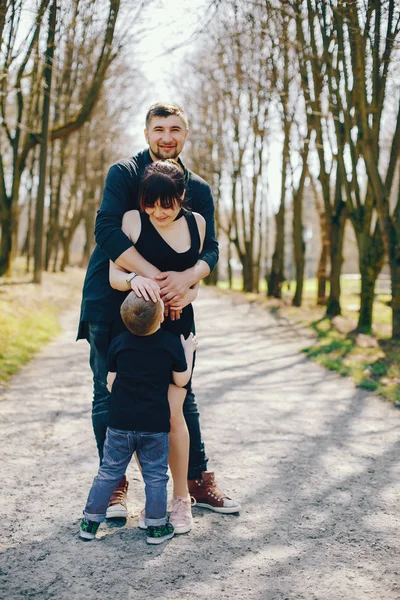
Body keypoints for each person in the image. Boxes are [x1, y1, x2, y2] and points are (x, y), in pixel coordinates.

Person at [78, 102, 240, 520]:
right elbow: (106, 230)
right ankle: (113, 486)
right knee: (108, 391)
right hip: (111, 298)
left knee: (180, 393)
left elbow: (210, 248)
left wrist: (185, 284)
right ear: (146, 132)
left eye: (175, 129)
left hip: (172, 307)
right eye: (159, 129)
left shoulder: (197, 188)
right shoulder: (124, 175)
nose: (167, 136)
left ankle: (195, 484)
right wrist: (156, 277)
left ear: (185, 133)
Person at [110, 159, 204, 533]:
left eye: (167, 204)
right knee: (137, 415)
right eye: (151, 203)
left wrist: (187, 293)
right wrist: (134, 279)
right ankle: (137, 490)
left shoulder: (197, 224)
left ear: (182, 196)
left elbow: (197, 283)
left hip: (178, 328)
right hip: (138, 330)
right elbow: (113, 274)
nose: (158, 212)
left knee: (172, 413)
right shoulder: (133, 220)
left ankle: (181, 500)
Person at [79, 291, 198, 545]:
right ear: (160, 319)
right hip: (154, 427)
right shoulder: (169, 344)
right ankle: (156, 527)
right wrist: (187, 351)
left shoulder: (119, 343)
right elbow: (181, 380)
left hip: (120, 425)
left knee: (108, 472)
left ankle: (90, 522)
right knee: (155, 476)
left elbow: (110, 382)